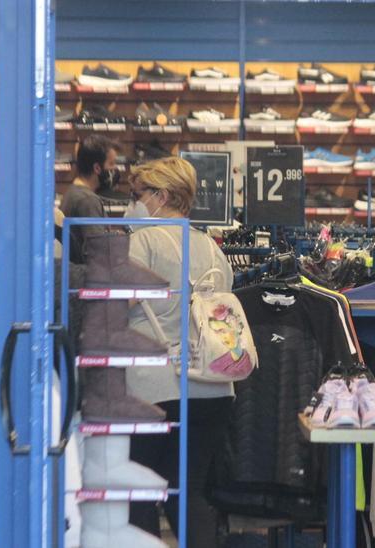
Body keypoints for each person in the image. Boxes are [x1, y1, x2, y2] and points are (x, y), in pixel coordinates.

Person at [122, 157, 235, 548]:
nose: (135, 203)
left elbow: (125, 305)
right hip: (213, 388)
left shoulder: (144, 239)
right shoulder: (213, 250)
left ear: (162, 195)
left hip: (155, 387)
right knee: (188, 494)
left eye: (140, 195)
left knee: (140, 493)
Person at [59, 134, 121, 264]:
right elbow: (98, 252)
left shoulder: (73, 192)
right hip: (87, 279)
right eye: (111, 164)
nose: (115, 169)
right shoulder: (87, 201)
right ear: (97, 168)